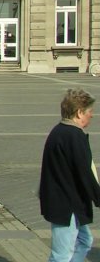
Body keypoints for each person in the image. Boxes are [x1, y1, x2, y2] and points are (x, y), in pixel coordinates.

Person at [39, 88, 100, 262]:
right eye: (90, 111)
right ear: (80, 112)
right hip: (66, 205)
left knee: (84, 241)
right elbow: (84, 173)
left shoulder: (61, 131)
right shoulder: (73, 136)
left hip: (68, 202)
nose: (92, 115)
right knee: (61, 255)